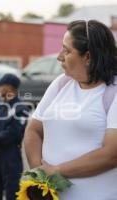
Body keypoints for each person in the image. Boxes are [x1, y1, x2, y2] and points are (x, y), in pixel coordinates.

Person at [24, 20, 117, 200]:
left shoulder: (113, 91)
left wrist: (57, 171)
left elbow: (112, 154)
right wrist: (40, 177)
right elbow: (34, 129)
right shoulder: (61, 83)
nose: (59, 56)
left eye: (66, 51)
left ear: (88, 56)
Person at [0, 74, 29, 200]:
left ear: (9, 87)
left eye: (1, 85)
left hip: (10, 157)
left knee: (12, 193)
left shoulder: (20, 108)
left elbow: (14, 132)